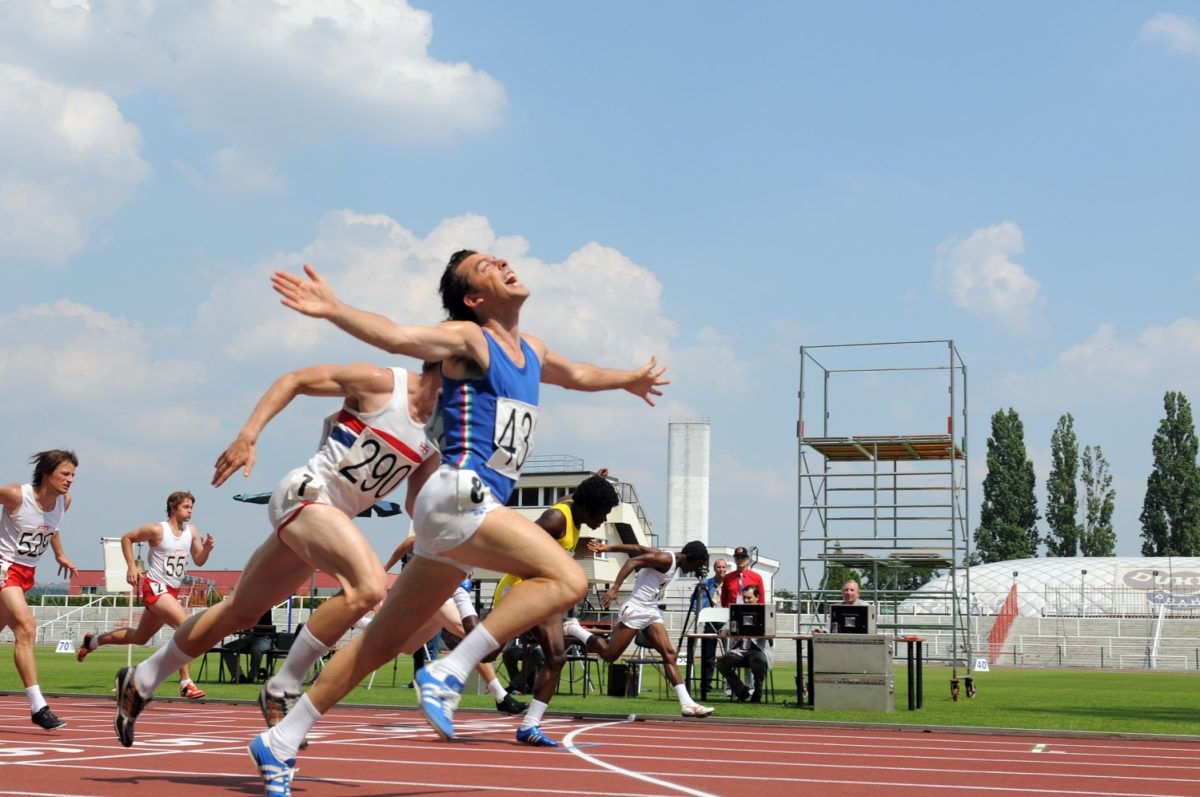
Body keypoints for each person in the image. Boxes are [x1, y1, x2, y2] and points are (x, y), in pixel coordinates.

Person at [251, 252, 666, 791]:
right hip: (459, 494)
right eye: (486, 265)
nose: (503, 261)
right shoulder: (470, 340)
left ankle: (281, 739)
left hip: (460, 513)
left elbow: (580, 374)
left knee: (379, 642)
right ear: (474, 298)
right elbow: (399, 337)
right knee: (568, 579)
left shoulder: (532, 350)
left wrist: (628, 378)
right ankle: (449, 671)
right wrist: (333, 309)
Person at [113, 360, 441, 749]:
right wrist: (248, 436)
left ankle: (141, 679)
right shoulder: (383, 383)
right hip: (306, 495)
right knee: (369, 588)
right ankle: (282, 686)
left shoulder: (438, 435)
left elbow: (416, 503)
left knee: (239, 612)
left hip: (329, 518)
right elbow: (295, 380)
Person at [491, 470, 619, 746]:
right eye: (603, 513)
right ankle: (446, 662)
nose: (605, 519)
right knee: (488, 652)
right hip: (520, 589)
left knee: (556, 657)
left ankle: (530, 725)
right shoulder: (556, 518)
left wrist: (596, 480)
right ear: (588, 507)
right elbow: (521, 548)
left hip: (541, 593)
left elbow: (574, 495)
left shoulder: (576, 509)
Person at [77, 491, 215, 698]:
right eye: (186, 507)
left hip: (172, 591)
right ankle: (185, 683)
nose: (190, 511)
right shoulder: (157, 529)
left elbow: (199, 560)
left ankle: (94, 641)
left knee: (140, 637)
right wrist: (131, 567)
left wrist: (207, 549)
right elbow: (127, 538)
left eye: (192, 507)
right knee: (185, 626)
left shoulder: (191, 531)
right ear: (173, 507)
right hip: (155, 587)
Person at [564, 539, 714, 718]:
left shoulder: (667, 557)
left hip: (651, 610)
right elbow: (632, 561)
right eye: (698, 565)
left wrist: (608, 547)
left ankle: (687, 704)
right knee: (610, 655)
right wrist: (614, 588)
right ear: (691, 558)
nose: (697, 570)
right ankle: (574, 628)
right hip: (636, 609)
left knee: (669, 654)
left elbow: (637, 548)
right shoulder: (666, 559)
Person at [0, 449, 78, 730]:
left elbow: (52, 527)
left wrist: (60, 554)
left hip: (27, 574)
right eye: (65, 474)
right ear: (47, 473)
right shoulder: (15, 495)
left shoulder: (63, 502)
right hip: (4, 567)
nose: (70, 480)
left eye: (73, 475)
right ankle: (37, 706)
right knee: (26, 627)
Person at [716, 582, 774, 703]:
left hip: (758, 651)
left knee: (758, 661)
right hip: (739, 651)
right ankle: (741, 690)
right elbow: (727, 625)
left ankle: (757, 693)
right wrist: (724, 630)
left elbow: (771, 637)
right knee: (722, 663)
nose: (746, 601)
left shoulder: (766, 612)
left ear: (757, 597)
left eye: (749, 598)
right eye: (744, 598)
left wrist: (763, 633)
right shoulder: (737, 610)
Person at [691, 557, 727, 695]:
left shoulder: (729, 583)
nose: (721, 570)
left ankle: (730, 688)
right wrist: (699, 613)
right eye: (718, 567)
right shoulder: (706, 583)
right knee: (708, 657)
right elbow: (694, 601)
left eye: (723, 567)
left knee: (730, 655)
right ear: (714, 568)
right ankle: (705, 687)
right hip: (710, 621)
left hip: (726, 621)